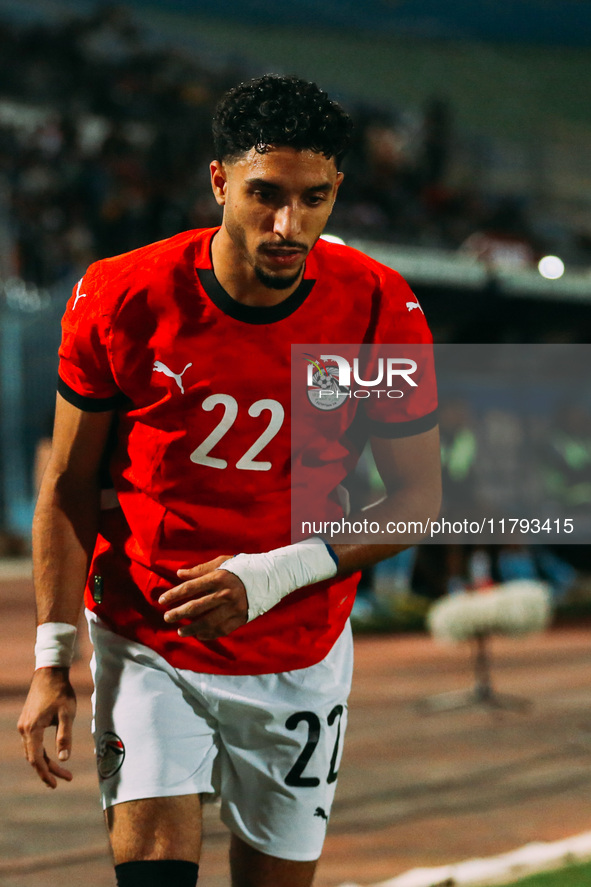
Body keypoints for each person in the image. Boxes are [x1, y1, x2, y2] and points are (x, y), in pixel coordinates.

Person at [18, 74, 441, 887]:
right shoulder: (120, 296)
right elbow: (69, 483)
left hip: (297, 650)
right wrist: (50, 659)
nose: (288, 225)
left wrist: (271, 573)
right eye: (264, 195)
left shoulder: (377, 308)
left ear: (336, 191)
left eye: (313, 199)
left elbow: (417, 498)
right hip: (149, 637)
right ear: (219, 181)